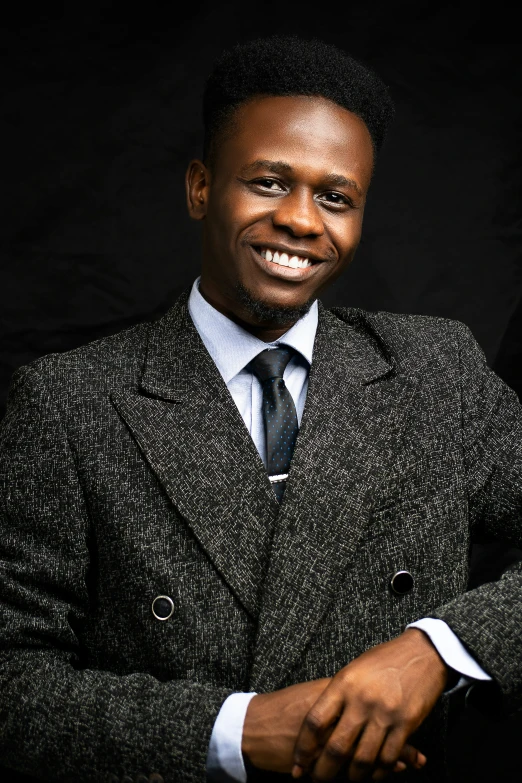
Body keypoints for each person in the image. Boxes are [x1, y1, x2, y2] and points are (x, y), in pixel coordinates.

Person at [0, 34, 521, 783]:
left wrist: (439, 648)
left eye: (335, 197)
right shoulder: (67, 404)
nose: (304, 221)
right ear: (200, 187)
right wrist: (235, 729)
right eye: (271, 182)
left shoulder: (436, 371)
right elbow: (13, 686)